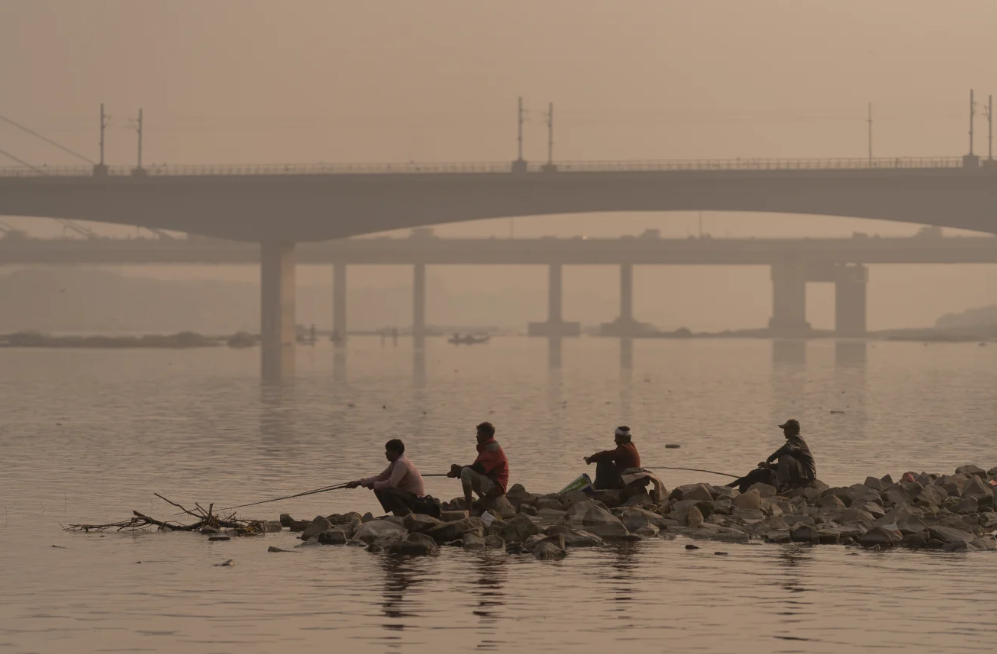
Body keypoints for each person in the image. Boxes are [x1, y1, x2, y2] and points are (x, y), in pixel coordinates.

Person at [728, 419, 817, 493]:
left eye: (785, 429)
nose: (783, 432)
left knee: (783, 456)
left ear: (792, 429)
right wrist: (769, 466)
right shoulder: (794, 443)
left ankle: (782, 485)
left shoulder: (797, 440)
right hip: (801, 472)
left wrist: (770, 458)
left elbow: (785, 450)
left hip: (807, 473)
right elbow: (784, 466)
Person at [346, 439, 425, 516]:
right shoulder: (395, 462)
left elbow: (391, 484)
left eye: (388, 451)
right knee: (379, 488)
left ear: (396, 452)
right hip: (406, 494)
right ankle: (397, 512)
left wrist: (374, 484)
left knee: (387, 491)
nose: (386, 453)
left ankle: (404, 514)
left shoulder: (401, 463)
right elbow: (381, 477)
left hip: (415, 498)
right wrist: (359, 482)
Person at [448, 421, 509, 513]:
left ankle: (468, 508)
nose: (476, 436)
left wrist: (461, 470)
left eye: (479, 434)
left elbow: (480, 469)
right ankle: (483, 500)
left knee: (466, 472)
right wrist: (458, 471)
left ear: (486, 435)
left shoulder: (492, 448)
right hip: (494, 483)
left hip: (497, 486)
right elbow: (475, 468)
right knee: (466, 472)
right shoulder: (488, 446)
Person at [584, 426, 641, 490]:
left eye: (616, 438)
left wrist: (590, 459)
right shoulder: (631, 446)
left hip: (624, 481)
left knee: (603, 462)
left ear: (623, 438)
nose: (615, 440)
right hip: (629, 478)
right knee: (606, 461)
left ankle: (598, 488)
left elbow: (606, 455)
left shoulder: (624, 449)